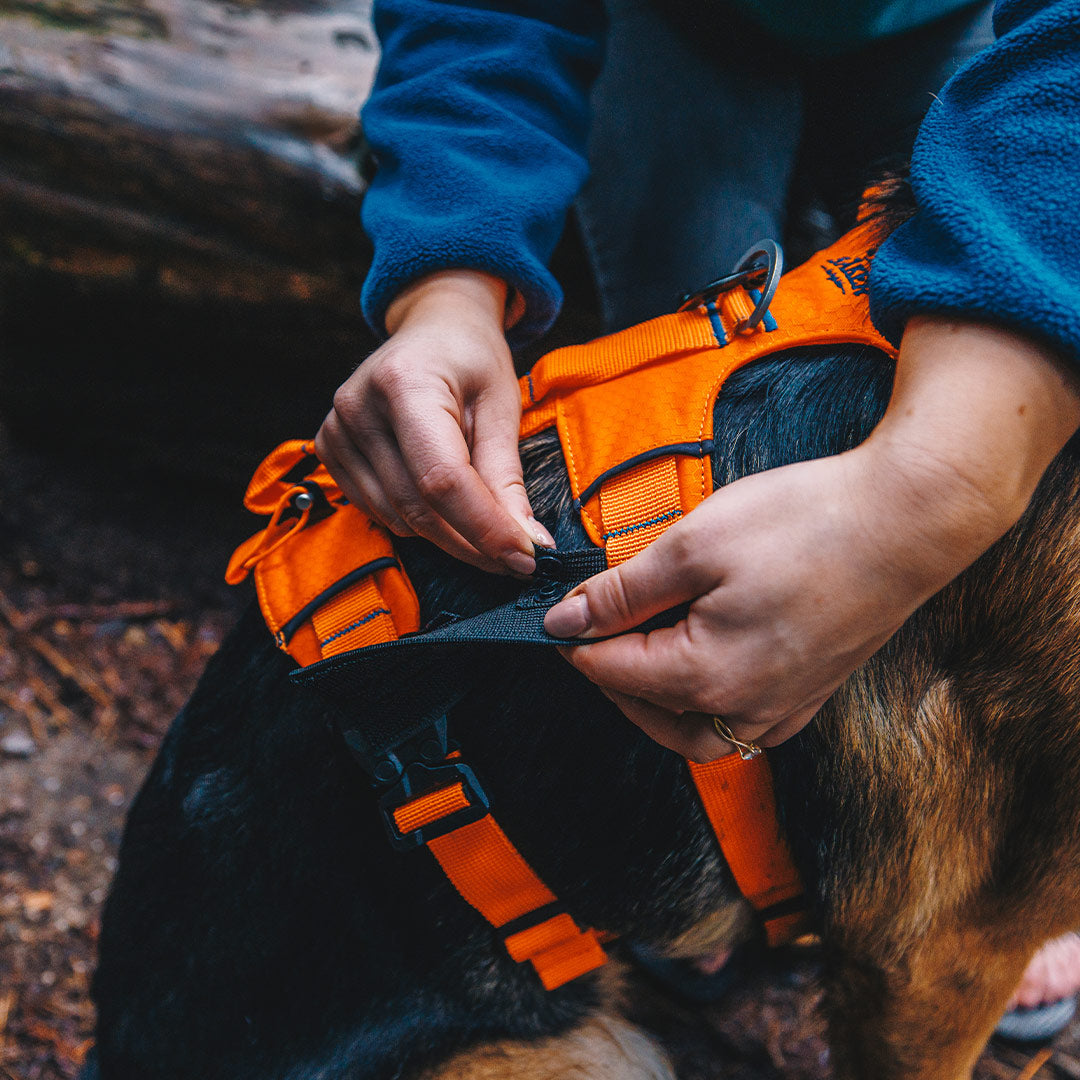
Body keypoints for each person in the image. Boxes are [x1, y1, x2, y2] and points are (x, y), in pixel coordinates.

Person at [314, 0, 1080, 1030]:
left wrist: (942, 481)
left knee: (1012, 372)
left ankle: (1018, 860)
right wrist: (449, 282)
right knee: (690, 416)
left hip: (975, 27)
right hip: (676, 33)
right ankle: (723, 827)